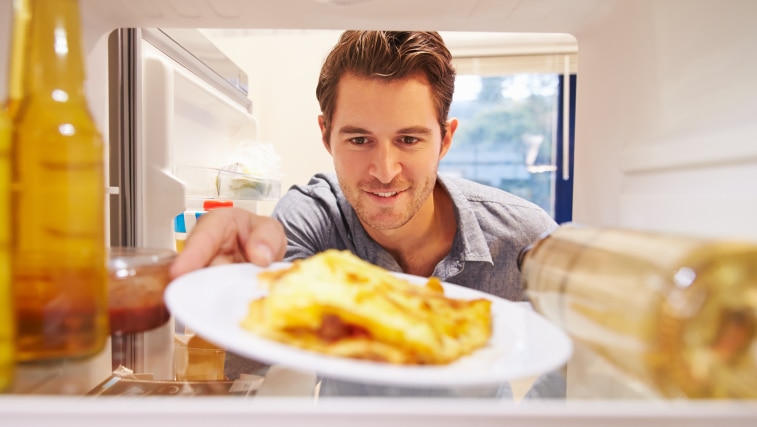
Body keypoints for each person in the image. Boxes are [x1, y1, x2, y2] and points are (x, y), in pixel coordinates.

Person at [171, 30, 557, 301]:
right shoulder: (312, 221)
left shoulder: (523, 235)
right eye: (359, 140)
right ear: (326, 135)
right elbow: (260, 362)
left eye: (409, 139)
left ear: (446, 140)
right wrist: (236, 288)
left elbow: (589, 356)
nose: (385, 171)